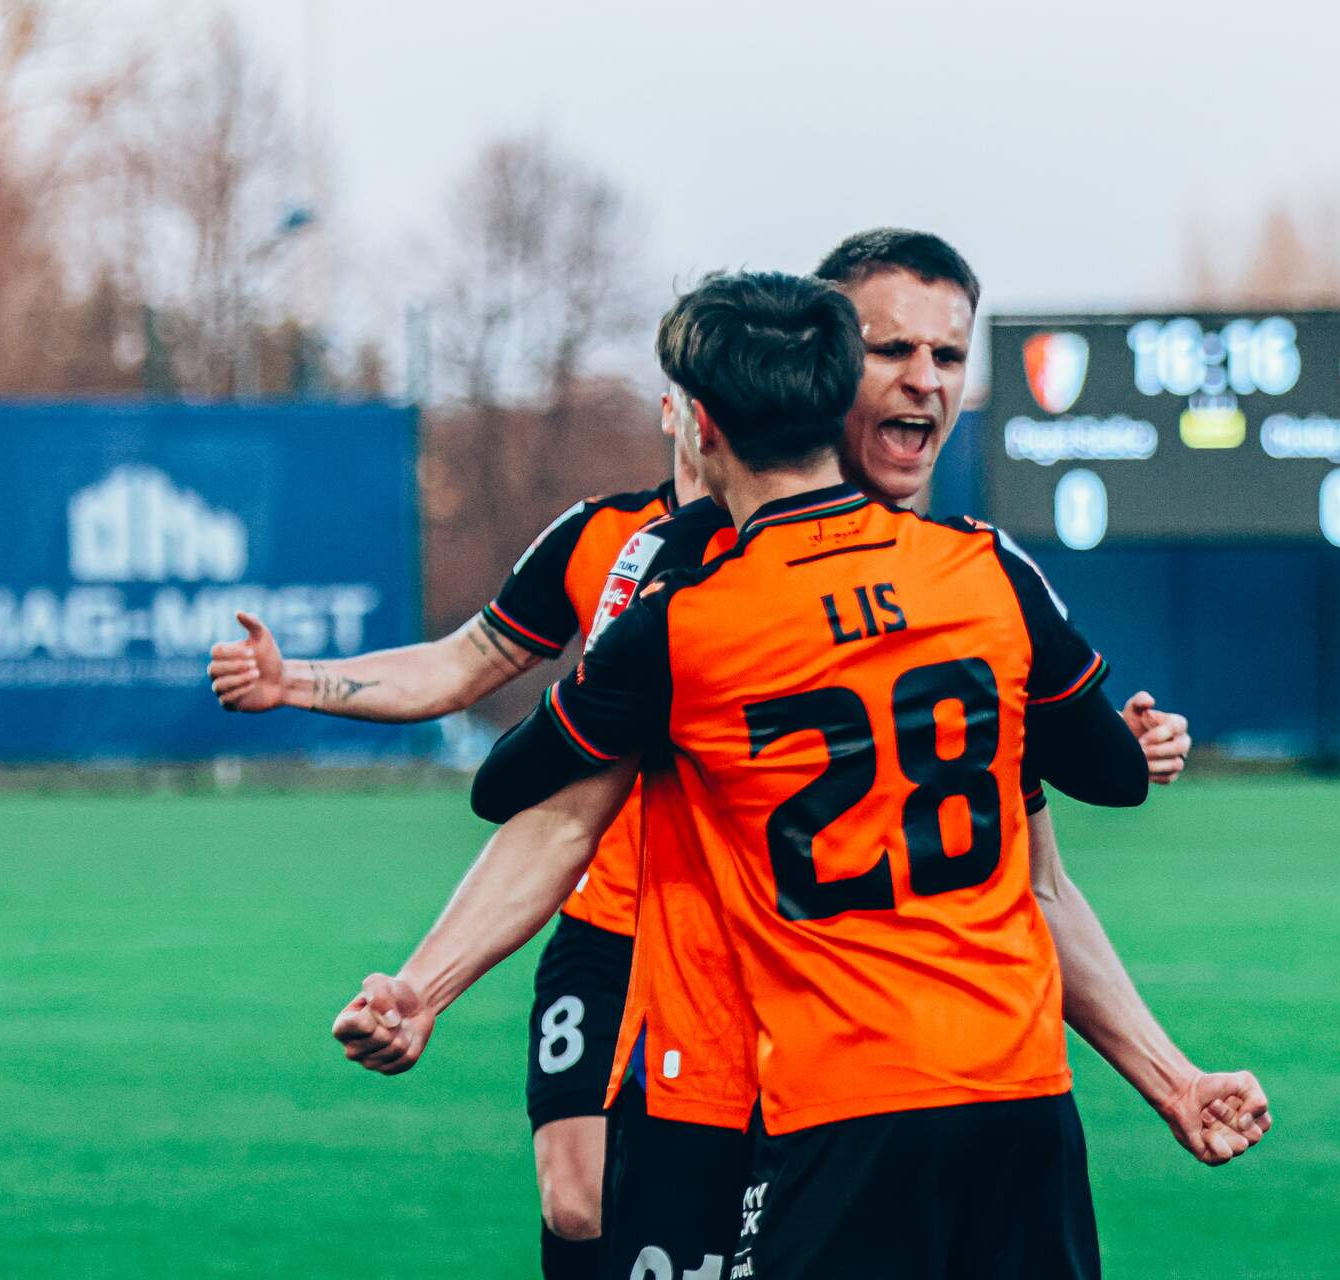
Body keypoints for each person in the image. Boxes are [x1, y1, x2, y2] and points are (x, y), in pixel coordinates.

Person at [223, 228, 1195, 1279]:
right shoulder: (972, 577)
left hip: (848, 1090)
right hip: (745, 1056)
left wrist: (1170, 1076)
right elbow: (550, 801)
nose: (923, 379)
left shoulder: (717, 611)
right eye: (891, 349)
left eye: (949, 356)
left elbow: (1042, 884)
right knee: (578, 1200)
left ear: (707, 416)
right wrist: (427, 981)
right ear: (831, 378)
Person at [206, 425, 704, 1280]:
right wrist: (296, 683)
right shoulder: (605, 538)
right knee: (574, 1200)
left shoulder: (795, 558)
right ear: (674, 404)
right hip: (605, 921)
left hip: (731, 936)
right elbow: (459, 666)